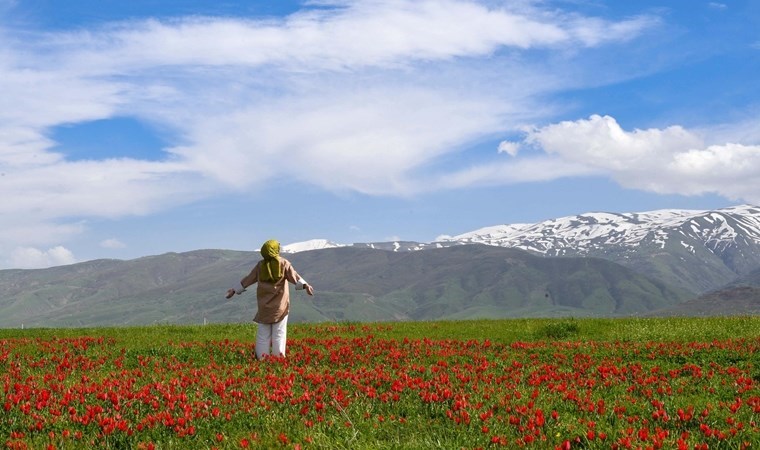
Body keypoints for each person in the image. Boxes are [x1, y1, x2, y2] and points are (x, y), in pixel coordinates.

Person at [225, 239, 314, 359]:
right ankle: (278, 359)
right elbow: (295, 277)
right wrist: (306, 286)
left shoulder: (260, 266)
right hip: (280, 307)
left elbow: (248, 279)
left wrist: (234, 290)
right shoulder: (284, 263)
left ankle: (262, 358)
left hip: (264, 307)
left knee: (263, 334)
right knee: (279, 333)